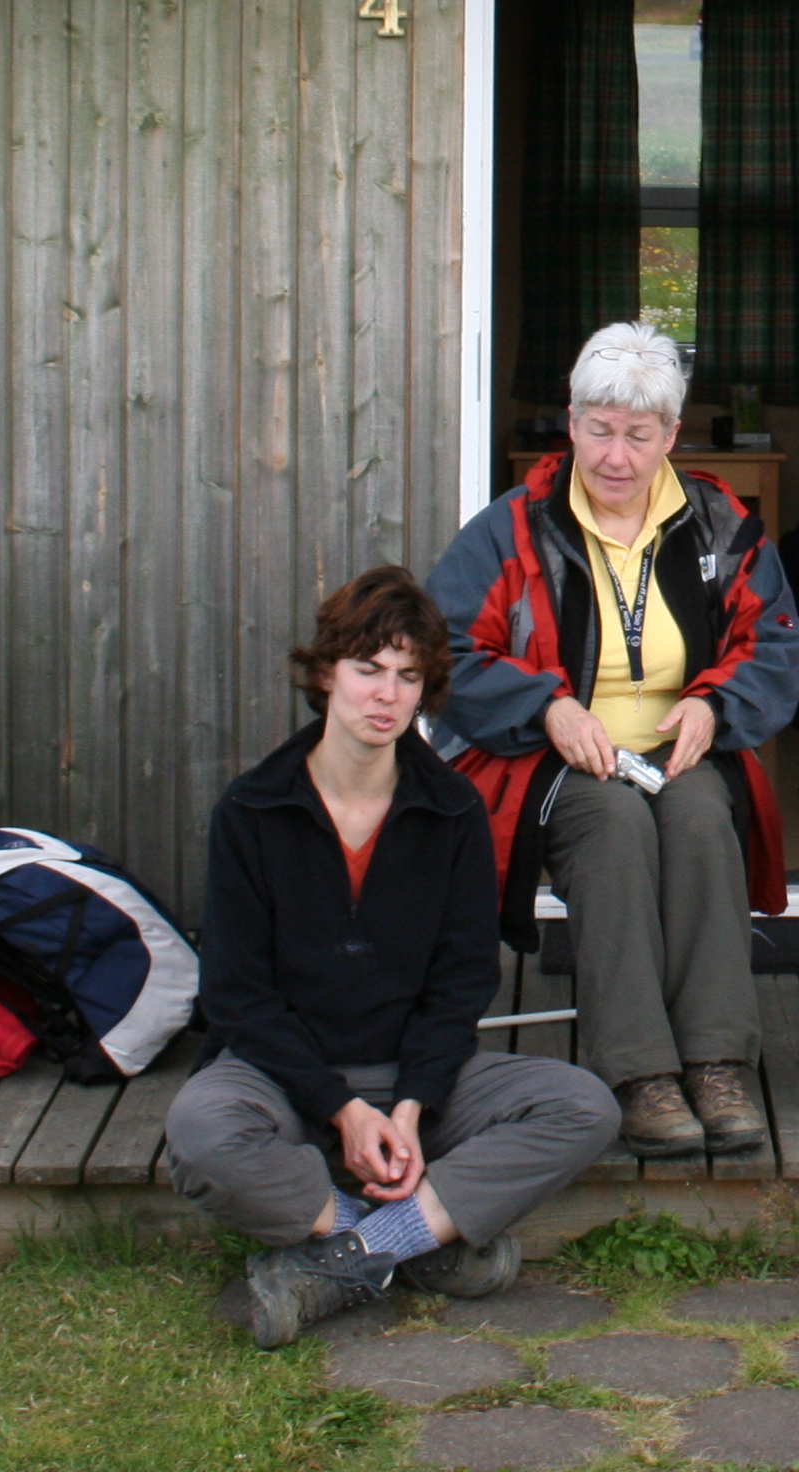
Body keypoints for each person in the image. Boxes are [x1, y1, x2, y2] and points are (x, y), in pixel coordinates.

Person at [167, 567, 623, 1351]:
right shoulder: (253, 808)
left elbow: (462, 985)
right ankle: (411, 1242)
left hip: (420, 1079)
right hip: (284, 1075)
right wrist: (342, 1112)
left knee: (585, 1106)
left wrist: (408, 1104)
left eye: (408, 677)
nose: (386, 694)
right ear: (325, 675)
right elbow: (238, 996)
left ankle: (354, 1256)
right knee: (200, 1129)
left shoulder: (450, 812)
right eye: (368, 670)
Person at [426, 322, 799, 1159]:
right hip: (552, 757)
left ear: (671, 436)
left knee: (705, 822)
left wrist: (715, 704)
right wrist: (547, 707)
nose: (616, 456)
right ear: (570, 424)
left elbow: (776, 640)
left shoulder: (718, 521)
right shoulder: (512, 527)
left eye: (639, 435)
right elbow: (445, 647)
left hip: (680, 748)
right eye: (599, 430)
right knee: (614, 827)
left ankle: (713, 1059)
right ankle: (639, 1072)